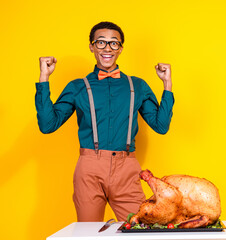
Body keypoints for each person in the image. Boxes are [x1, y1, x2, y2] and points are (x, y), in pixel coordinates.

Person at [35, 21, 174, 222]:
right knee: (87, 234)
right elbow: (48, 125)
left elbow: (161, 126)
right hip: (89, 168)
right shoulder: (77, 86)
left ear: (121, 49)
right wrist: (44, 78)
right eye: (100, 42)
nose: (107, 48)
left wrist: (167, 84)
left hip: (127, 168)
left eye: (113, 43)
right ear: (92, 47)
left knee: (141, 228)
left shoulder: (137, 85)